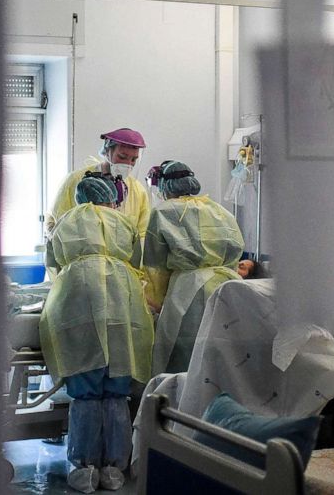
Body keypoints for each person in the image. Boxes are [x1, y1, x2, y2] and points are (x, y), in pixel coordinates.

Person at [39, 174, 154, 493]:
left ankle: (83, 468)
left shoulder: (64, 222)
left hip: (76, 297)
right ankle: (114, 469)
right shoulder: (124, 223)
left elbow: (53, 262)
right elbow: (137, 261)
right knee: (116, 387)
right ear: (111, 198)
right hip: (121, 296)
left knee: (86, 385)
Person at [144, 160, 244, 374]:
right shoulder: (220, 211)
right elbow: (236, 250)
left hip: (189, 290)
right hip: (228, 287)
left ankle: (184, 405)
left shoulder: (164, 212)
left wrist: (155, 300)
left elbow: (155, 265)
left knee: (186, 358)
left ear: (163, 186)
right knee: (221, 355)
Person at [45, 128, 150, 241]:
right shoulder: (76, 180)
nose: (128, 164)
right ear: (107, 151)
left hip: (123, 259)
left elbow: (142, 235)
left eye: (133, 159)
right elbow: (56, 223)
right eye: (122, 157)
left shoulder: (138, 191)